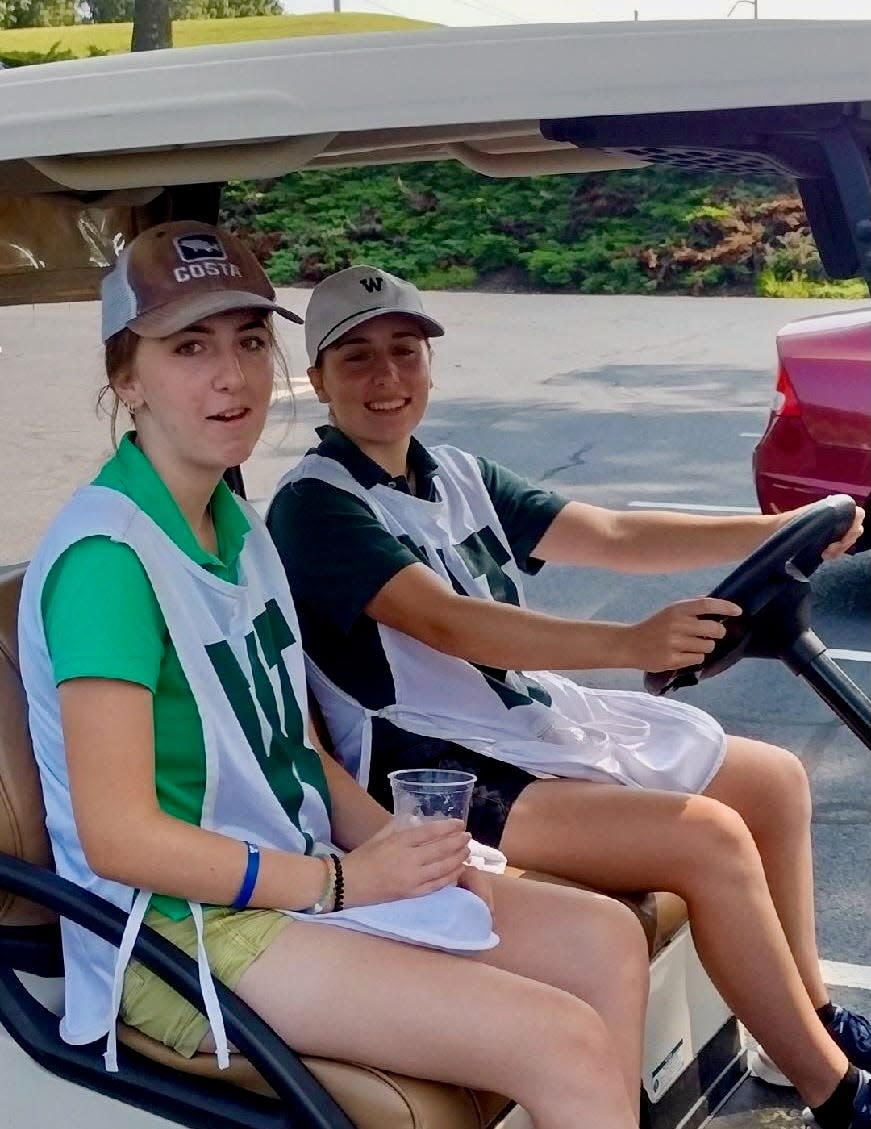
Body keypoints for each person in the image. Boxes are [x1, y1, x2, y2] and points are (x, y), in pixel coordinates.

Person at [17, 223, 654, 1129]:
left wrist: (406, 847)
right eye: (189, 346)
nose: (231, 375)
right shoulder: (108, 563)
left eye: (246, 340)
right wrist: (345, 884)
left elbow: (297, 750)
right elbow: (119, 838)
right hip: (176, 936)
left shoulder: (237, 532)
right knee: (562, 1040)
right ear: (128, 379)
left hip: (293, 877)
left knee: (604, 936)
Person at [267, 263, 870, 1129]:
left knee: (771, 781)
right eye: (356, 357)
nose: (387, 377)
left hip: (513, 726)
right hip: (431, 773)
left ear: (431, 365)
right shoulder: (314, 506)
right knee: (706, 839)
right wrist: (627, 643)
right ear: (318, 380)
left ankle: (802, 1029)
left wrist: (778, 528)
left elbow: (614, 533)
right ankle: (838, 1094)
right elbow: (447, 623)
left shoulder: (452, 474)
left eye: (405, 350)